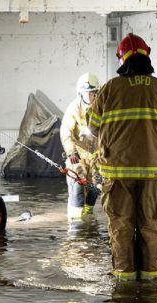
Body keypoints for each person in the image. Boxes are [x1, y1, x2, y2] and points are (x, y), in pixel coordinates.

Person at [88, 33, 157, 281]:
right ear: (147, 56)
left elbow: (92, 126)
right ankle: (150, 284)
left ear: (121, 60)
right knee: (149, 227)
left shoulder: (109, 89)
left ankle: (123, 287)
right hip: (152, 173)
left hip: (117, 174)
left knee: (121, 228)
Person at [60, 72, 101, 222]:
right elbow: (66, 131)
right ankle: (75, 221)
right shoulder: (74, 108)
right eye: (86, 93)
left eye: (92, 93)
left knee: (95, 188)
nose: (89, 96)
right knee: (77, 186)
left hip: (97, 157)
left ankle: (88, 217)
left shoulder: (102, 107)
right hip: (78, 157)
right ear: (80, 93)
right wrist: (71, 151)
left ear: (97, 92)